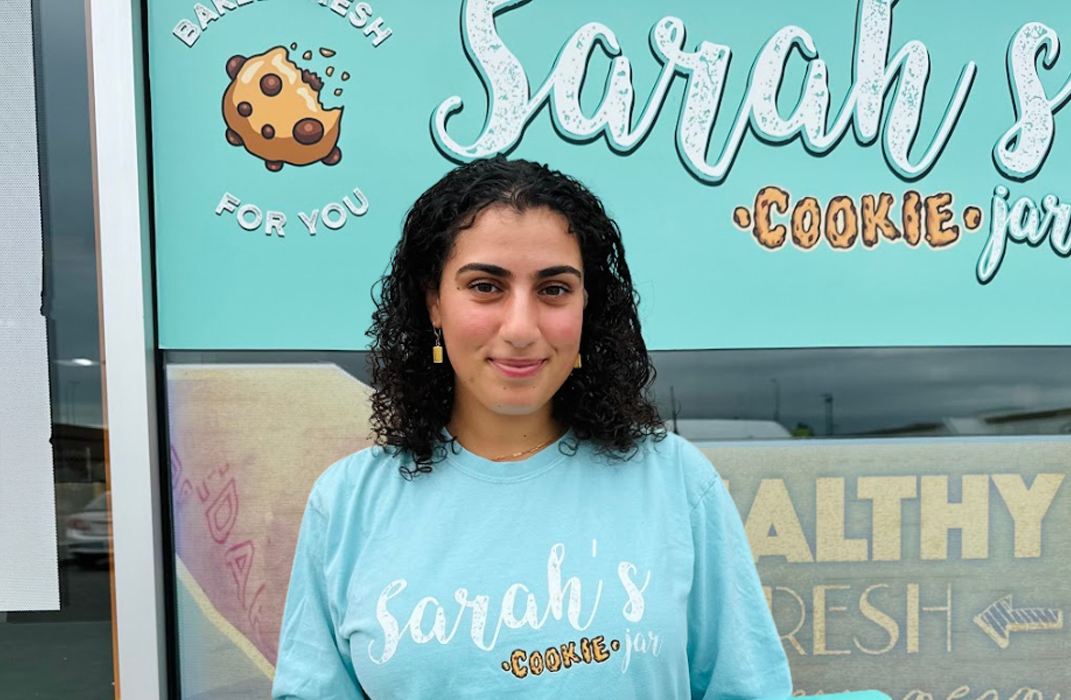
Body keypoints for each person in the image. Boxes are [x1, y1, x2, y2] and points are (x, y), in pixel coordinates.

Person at [272, 157, 793, 699]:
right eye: (485, 287)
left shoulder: (677, 483)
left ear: (587, 304)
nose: (520, 329)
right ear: (434, 303)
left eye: (553, 290)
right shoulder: (349, 504)